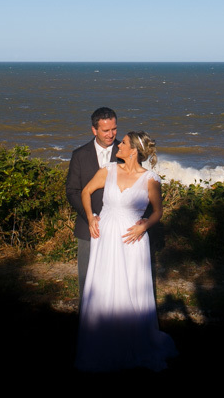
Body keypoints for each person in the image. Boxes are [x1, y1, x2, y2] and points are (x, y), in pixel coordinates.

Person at [75, 131, 176, 372]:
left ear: (133, 151)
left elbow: (157, 211)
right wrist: (91, 218)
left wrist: (145, 224)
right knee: (105, 286)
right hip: (105, 237)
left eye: (124, 143)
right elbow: (85, 192)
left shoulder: (150, 179)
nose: (118, 144)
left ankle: (131, 343)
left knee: (130, 289)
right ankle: (101, 341)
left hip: (132, 240)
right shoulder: (108, 170)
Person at [65, 107, 119, 293]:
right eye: (105, 130)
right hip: (87, 227)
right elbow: (72, 191)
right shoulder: (79, 155)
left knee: (116, 282)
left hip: (119, 229)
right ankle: (85, 320)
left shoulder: (127, 153)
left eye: (114, 129)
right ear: (94, 130)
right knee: (87, 282)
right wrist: (90, 217)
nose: (111, 134)